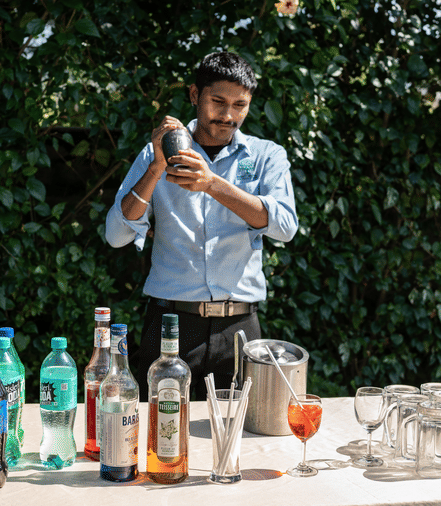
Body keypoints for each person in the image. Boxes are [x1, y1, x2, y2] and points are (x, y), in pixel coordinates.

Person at [104, 51, 298, 400]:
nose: (228, 115)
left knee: (240, 440)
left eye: (240, 105)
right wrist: (155, 170)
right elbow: (116, 236)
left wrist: (213, 184)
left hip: (240, 327)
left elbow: (285, 226)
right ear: (195, 95)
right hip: (170, 324)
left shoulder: (267, 155)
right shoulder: (155, 154)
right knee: (160, 441)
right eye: (218, 101)